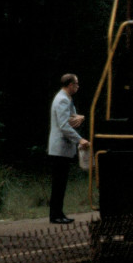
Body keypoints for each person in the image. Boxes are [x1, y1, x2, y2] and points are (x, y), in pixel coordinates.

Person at [47, 73, 89, 224]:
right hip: (60, 148)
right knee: (58, 183)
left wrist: (80, 117)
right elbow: (64, 125)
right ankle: (55, 215)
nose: (77, 86)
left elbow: (73, 118)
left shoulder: (67, 100)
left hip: (64, 149)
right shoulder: (62, 100)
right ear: (70, 85)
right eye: (76, 84)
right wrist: (80, 139)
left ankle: (59, 212)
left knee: (61, 182)